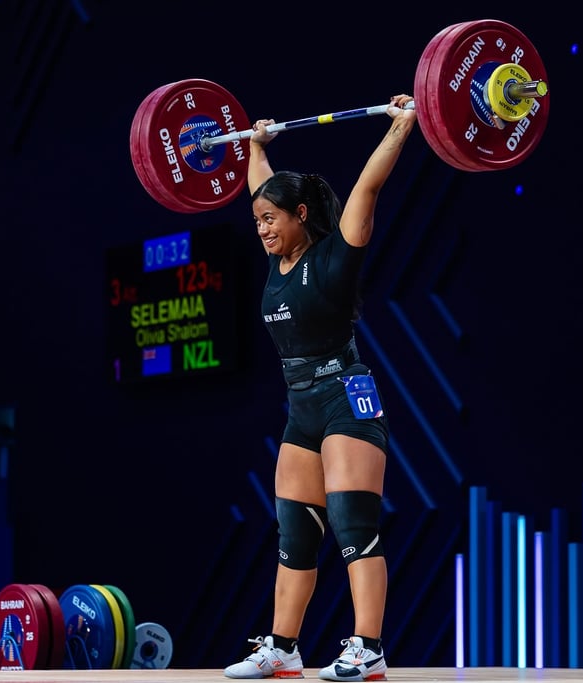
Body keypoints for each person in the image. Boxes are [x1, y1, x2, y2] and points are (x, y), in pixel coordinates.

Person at [223, 94, 417, 682]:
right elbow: (263, 187)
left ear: (301, 214)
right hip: (301, 408)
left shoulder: (335, 256)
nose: (262, 228)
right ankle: (283, 648)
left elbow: (367, 188)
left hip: (346, 398)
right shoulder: (276, 261)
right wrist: (256, 147)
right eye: (257, 220)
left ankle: (368, 648)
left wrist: (401, 127)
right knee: (294, 533)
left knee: (354, 527)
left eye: (271, 219)